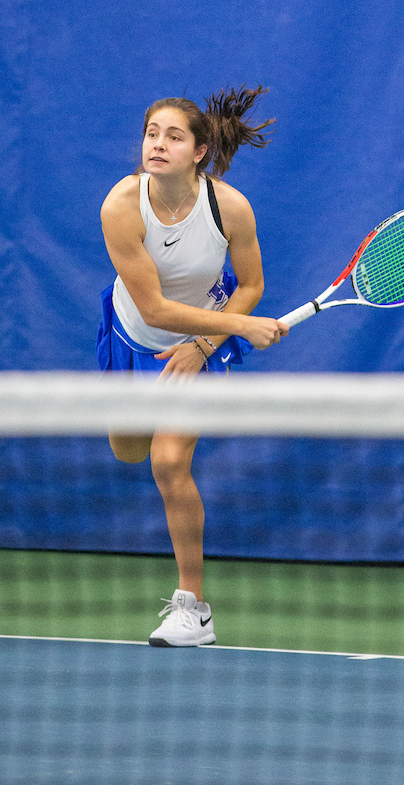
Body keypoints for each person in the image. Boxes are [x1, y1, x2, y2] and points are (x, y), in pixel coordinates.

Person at [97, 86, 289, 647]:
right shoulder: (120, 205)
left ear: (199, 151)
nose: (157, 145)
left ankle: (193, 609)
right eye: (151, 134)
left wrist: (206, 343)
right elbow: (154, 309)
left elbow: (250, 285)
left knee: (168, 461)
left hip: (200, 341)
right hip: (133, 335)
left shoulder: (229, 207)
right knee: (129, 449)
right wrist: (243, 327)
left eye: (174, 137)